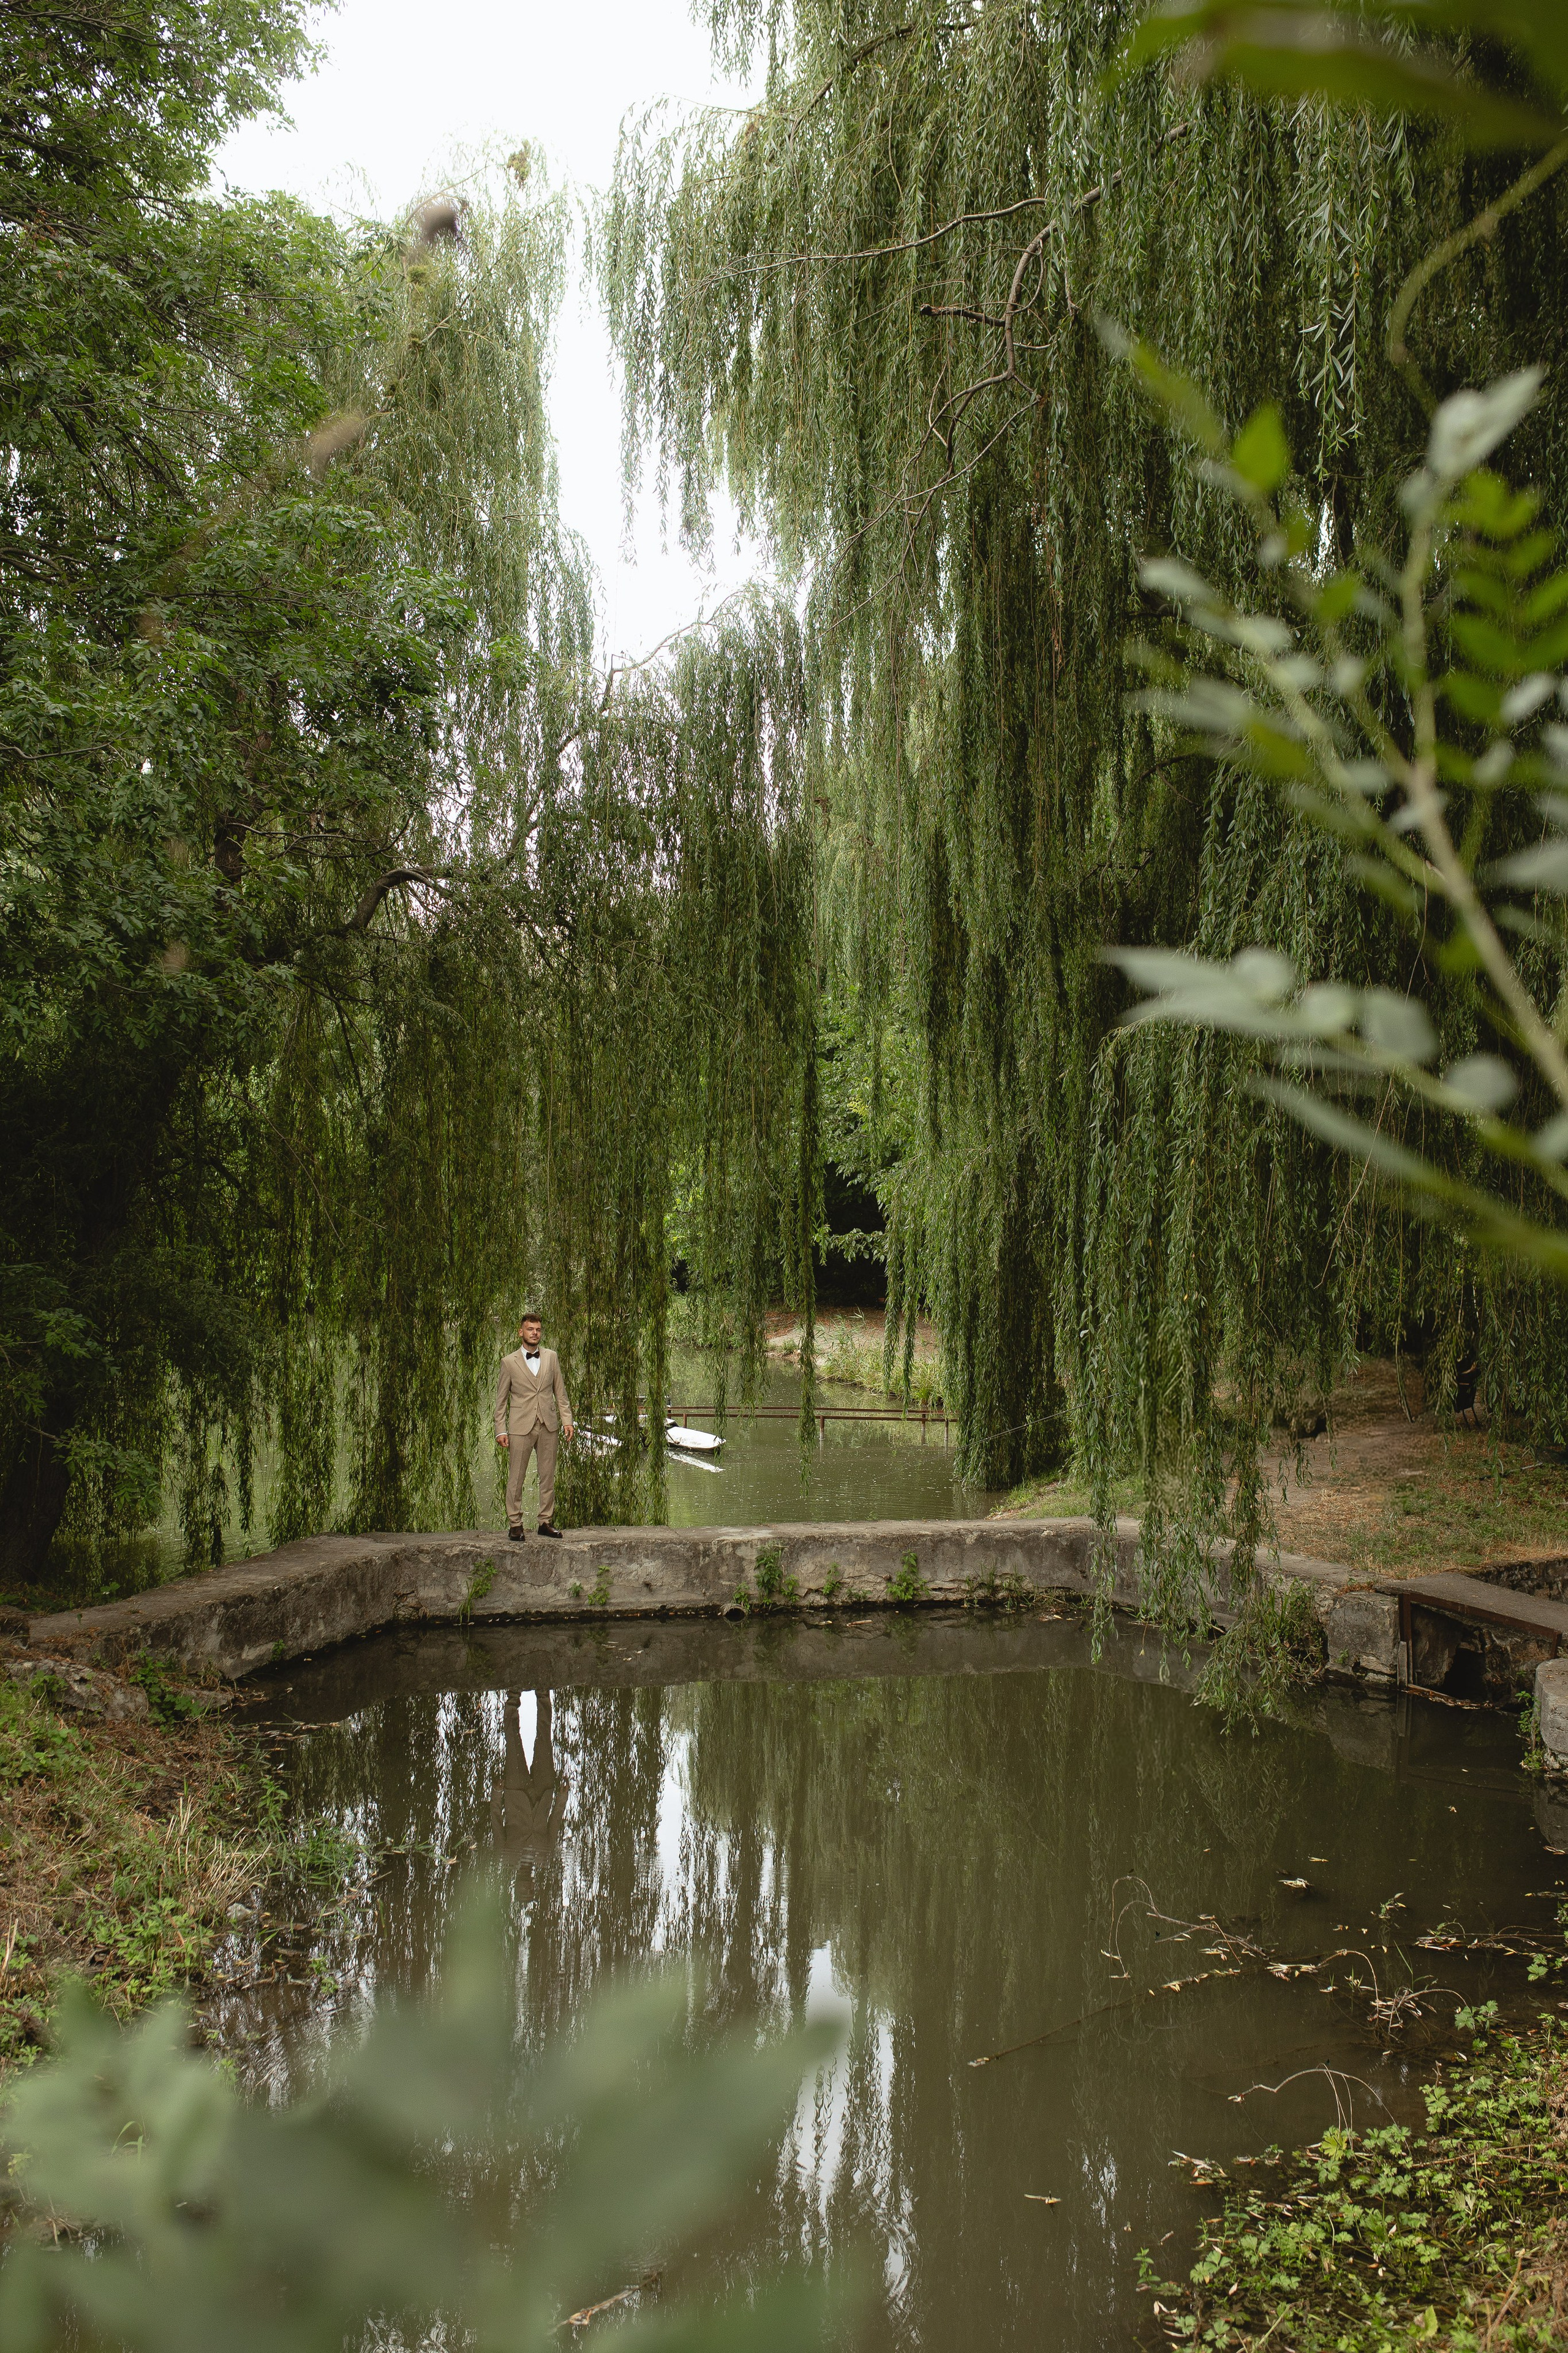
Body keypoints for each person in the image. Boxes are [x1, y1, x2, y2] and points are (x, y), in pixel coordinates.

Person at [495, 1310, 574, 1539]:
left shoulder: (552, 1357)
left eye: (538, 1329)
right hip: (520, 1427)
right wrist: (500, 1429)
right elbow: (501, 1401)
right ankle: (515, 1524)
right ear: (521, 1332)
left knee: (548, 1476)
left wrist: (567, 1420)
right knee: (516, 1477)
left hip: (548, 1425)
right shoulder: (509, 1363)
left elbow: (561, 1393)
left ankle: (545, 1522)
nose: (535, 1333)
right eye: (530, 1329)